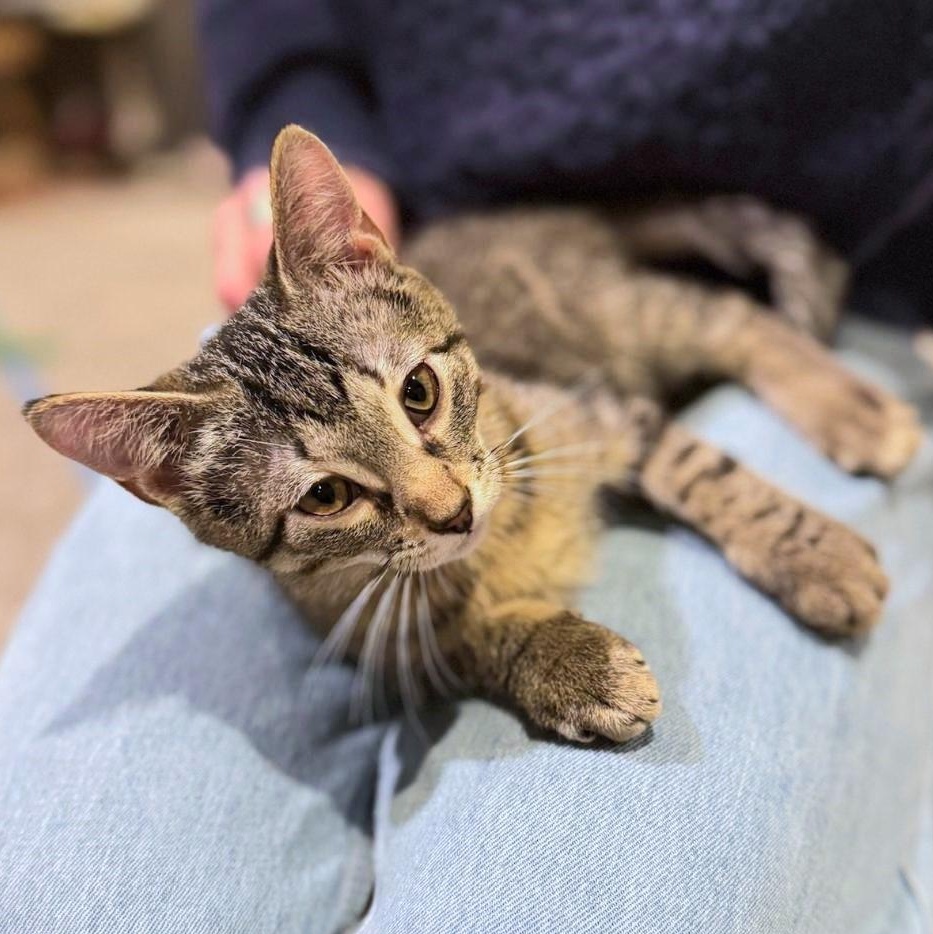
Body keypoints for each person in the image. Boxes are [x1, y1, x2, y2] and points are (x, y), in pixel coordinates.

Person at [2, 3, 932, 932]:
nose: (443, 501)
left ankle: (753, 341)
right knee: (77, 894)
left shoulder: (431, 353)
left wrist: (767, 527)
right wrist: (299, 107)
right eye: (328, 493)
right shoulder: (247, 462)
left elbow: (627, 430)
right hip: (366, 285)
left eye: (415, 402)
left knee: (581, 897)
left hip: (723, 265)